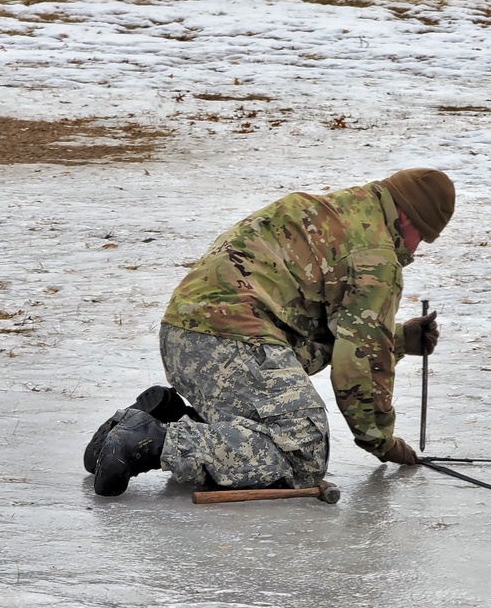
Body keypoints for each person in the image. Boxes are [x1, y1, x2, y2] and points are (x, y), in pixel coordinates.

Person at [85, 168, 455, 496]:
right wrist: (382, 441)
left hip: (185, 335)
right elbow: (360, 363)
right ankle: (149, 440)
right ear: (408, 218)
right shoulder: (376, 255)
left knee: (268, 424)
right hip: (233, 344)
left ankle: (168, 416)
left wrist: (400, 339)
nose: (416, 249)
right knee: (302, 450)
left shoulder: (331, 210)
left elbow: (331, 332)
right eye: (422, 237)